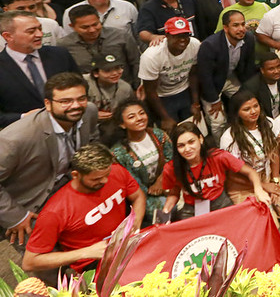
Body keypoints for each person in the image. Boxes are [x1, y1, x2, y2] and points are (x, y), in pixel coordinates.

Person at [0, 73, 99, 248]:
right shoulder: (16, 138)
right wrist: (16, 216)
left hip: (69, 185)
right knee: (43, 261)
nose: (75, 106)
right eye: (65, 101)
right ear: (48, 104)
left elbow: (92, 139)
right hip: (29, 202)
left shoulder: (89, 111)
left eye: (81, 98)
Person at [22, 143, 145, 273]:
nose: (105, 181)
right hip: (94, 263)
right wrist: (86, 252)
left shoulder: (116, 171)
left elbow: (138, 196)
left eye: (107, 174)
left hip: (127, 243)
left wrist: (135, 223)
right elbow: (30, 262)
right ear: (75, 175)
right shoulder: (55, 211)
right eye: (96, 179)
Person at [161, 123, 270, 220]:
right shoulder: (171, 168)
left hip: (221, 203)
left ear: (200, 139)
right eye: (181, 145)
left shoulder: (218, 156)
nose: (187, 149)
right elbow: (174, 193)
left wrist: (259, 189)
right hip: (191, 209)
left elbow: (250, 172)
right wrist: (165, 213)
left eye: (191, 142)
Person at [219, 90, 280, 221]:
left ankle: (271, 206)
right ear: (236, 112)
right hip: (243, 184)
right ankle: (268, 209)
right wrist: (263, 186)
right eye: (246, 109)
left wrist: (275, 180)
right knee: (268, 222)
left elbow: (274, 153)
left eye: (255, 106)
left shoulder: (268, 123)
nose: (253, 111)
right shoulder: (229, 138)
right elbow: (232, 175)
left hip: (266, 175)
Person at [0, 11, 80, 127]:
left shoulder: (60, 55)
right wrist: (23, 117)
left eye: (40, 29)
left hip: (69, 124)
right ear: (8, 36)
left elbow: (79, 86)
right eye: (31, 31)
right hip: (24, 131)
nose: (40, 34)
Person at [109, 99, 172, 225]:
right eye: (131, 117)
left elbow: (171, 159)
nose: (139, 118)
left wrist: (161, 180)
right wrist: (156, 191)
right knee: (166, 209)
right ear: (122, 124)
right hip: (145, 195)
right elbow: (134, 185)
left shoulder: (158, 135)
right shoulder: (118, 153)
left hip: (168, 181)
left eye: (141, 113)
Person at [198, 10, 257, 141]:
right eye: (236, 25)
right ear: (225, 28)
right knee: (218, 121)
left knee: (247, 104)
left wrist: (248, 90)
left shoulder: (249, 38)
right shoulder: (210, 45)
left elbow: (249, 67)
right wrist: (215, 100)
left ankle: (246, 138)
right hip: (212, 83)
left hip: (232, 78)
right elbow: (205, 77)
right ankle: (221, 147)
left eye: (243, 24)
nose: (241, 29)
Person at [139, 16, 201, 132]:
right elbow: (150, 91)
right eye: (177, 36)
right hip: (162, 97)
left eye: (185, 35)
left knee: (193, 129)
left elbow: (193, 75)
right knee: (172, 132)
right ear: (167, 36)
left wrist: (195, 103)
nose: (182, 39)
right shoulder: (151, 56)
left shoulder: (195, 45)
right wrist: (165, 118)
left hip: (184, 90)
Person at [58, 5, 140, 86]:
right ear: (72, 27)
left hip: (123, 89)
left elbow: (136, 63)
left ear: (99, 20)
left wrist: (137, 86)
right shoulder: (64, 45)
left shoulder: (121, 36)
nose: (92, 30)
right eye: (85, 27)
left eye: (95, 24)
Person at [84, 54, 135, 130]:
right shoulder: (83, 83)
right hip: (85, 123)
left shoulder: (125, 88)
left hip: (112, 125)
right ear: (96, 73)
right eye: (107, 70)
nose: (115, 73)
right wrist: (91, 115)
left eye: (118, 68)